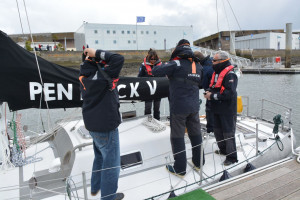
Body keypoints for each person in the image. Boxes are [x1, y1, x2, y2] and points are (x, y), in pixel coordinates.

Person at [152, 39, 204, 176]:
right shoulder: (198, 65)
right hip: (194, 107)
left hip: (179, 107)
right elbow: (202, 82)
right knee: (195, 134)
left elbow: (155, 71)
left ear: (178, 49)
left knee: (177, 137)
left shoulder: (176, 63)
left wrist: (161, 63)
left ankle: (180, 169)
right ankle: (199, 163)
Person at [79, 48, 124, 200]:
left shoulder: (84, 75)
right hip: (106, 127)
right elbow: (118, 58)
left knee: (99, 157)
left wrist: (93, 58)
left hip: (92, 125)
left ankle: (95, 187)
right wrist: (97, 52)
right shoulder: (103, 75)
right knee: (112, 166)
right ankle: (109, 197)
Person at [203, 50, 238, 166]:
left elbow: (229, 94)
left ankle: (232, 157)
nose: (212, 62)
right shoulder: (217, 73)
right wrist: (208, 91)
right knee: (218, 131)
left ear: (222, 61)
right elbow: (214, 86)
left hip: (227, 110)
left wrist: (212, 96)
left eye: (214, 60)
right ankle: (223, 150)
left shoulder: (231, 74)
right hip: (216, 108)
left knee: (228, 133)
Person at [138, 48, 162, 120]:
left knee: (157, 109)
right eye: (151, 59)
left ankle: (158, 121)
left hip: (158, 90)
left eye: (155, 59)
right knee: (148, 108)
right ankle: (148, 122)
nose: (153, 60)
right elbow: (139, 77)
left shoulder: (160, 65)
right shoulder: (143, 66)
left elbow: (164, 76)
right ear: (149, 58)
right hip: (148, 90)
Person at [194, 51, 214, 133]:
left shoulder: (205, 69)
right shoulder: (210, 62)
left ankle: (211, 130)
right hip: (217, 92)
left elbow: (203, 83)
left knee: (210, 110)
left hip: (211, 92)